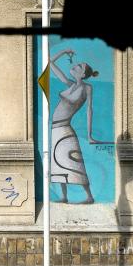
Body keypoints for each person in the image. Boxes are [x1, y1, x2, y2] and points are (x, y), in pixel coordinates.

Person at [48, 47, 109, 204]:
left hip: (66, 129)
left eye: (79, 66)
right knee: (58, 162)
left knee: (74, 163)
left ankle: (89, 196)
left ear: (82, 74)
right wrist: (64, 51)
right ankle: (64, 197)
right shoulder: (69, 84)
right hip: (56, 129)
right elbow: (50, 62)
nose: (75, 66)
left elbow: (89, 110)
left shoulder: (87, 88)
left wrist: (89, 135)